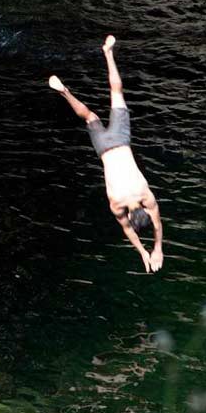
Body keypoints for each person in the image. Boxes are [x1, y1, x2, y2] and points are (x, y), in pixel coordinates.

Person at [49, 35, 164, 273]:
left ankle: (108, 53)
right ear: (132, 215)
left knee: (117, 93)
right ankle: (64, 92)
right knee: (89, 116)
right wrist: (146, 252)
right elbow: (128, 231)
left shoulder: (145, 194)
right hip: (104, 148)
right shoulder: (116, 205)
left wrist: (158, 246)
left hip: (122, 141)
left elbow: (158, 224)